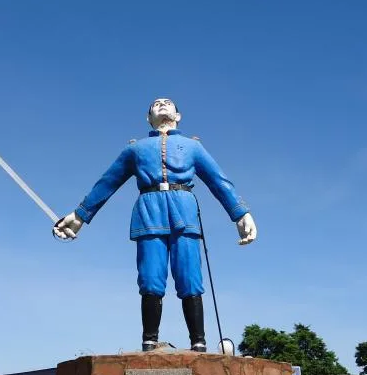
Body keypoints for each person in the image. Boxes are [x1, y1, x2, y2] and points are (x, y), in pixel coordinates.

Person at [53, 98, 257, 351]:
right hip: (149, 212)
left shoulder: (193, 147)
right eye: (155, 104)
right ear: (148, 118)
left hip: (184, 212)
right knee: (150, 277)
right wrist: (80, 215)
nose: (161, 104)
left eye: (167, 103)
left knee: (190, 277)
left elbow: (219, 181)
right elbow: (108, 182)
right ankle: (149, 341)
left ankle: (198, 342)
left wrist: (240, 213)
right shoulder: (135, 149)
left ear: (178, 116)